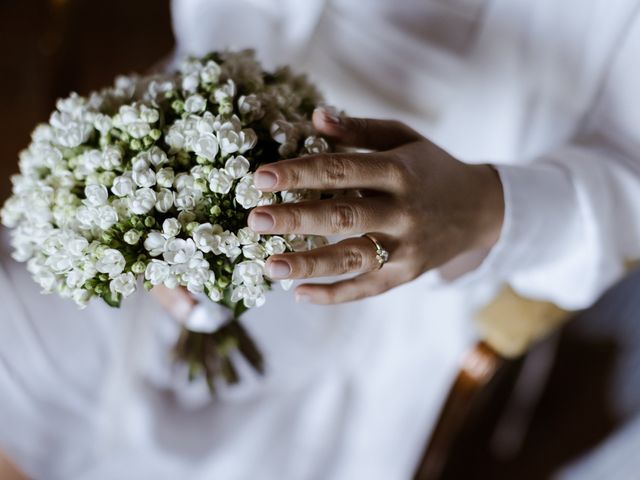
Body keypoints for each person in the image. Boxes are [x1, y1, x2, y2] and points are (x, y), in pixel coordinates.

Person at [2, 0, 640, 478]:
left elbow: (629, 172)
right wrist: (177, 182)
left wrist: (478, 208)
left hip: (420, 263)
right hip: (211, 160)